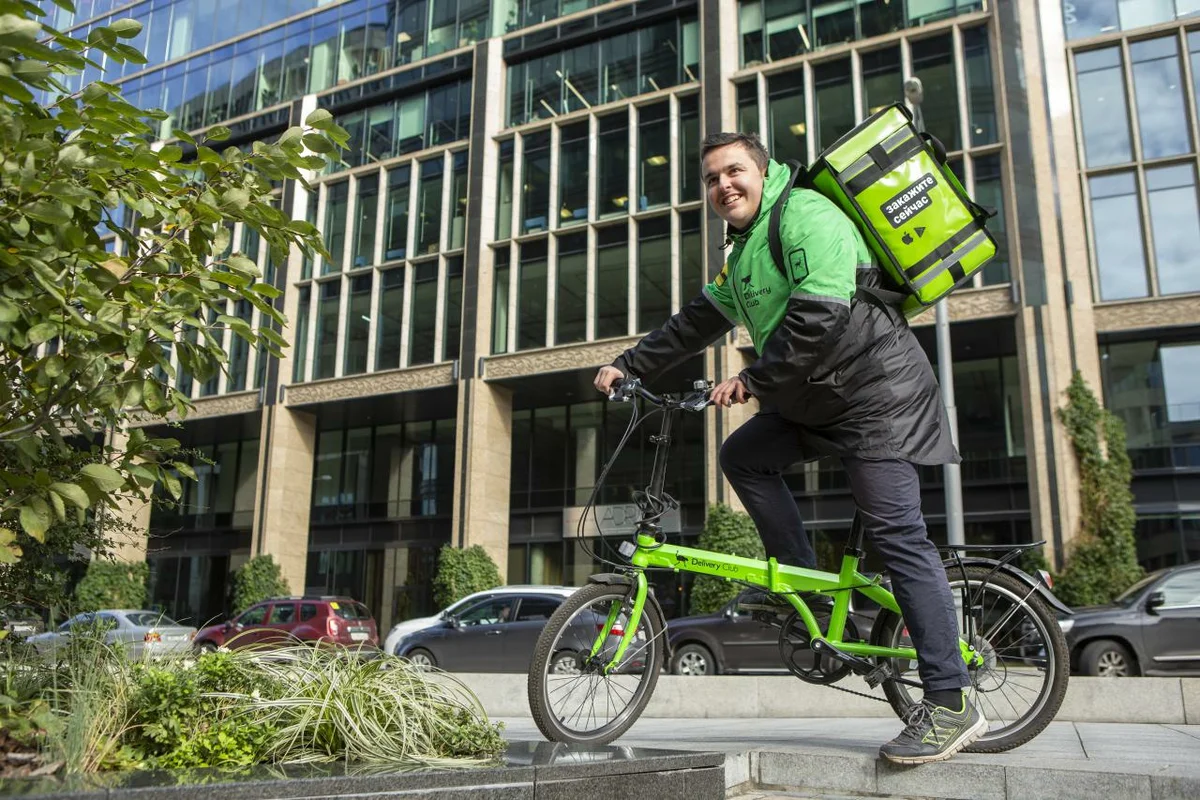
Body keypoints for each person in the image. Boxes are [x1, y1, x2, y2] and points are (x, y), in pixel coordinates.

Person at [593, 132, 985, 765]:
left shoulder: (804, 212)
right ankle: (808, 594)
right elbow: (698, 320)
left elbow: (819, 314)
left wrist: (753, 378)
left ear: (764, 172)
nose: (724, 186)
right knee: (743, 456)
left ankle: (950, 698)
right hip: (816, 399)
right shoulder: (744, 251)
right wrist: (630, 364)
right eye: (713, 178)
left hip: (876, 394)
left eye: (735, 171)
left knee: (897, 535)